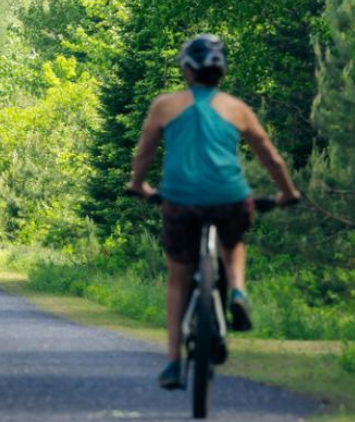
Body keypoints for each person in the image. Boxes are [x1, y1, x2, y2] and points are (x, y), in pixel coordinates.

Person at [126, 33, 301, 390]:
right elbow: (270, 155)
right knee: (233, 240)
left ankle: (174, 362)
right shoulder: (237, 109)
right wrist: (287, 191)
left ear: (188, 71)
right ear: (221, 73)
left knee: (178, 278)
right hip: (229, 197)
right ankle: (237, 290)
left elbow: (143, 153)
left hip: (180, 201)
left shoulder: (165, 105)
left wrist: (138, 186)